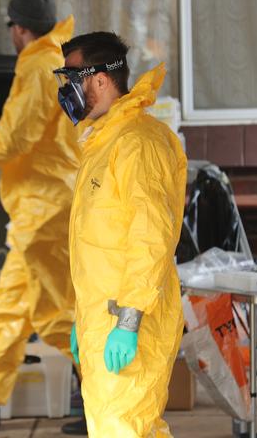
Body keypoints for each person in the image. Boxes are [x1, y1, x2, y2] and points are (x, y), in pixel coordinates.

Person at [54, 32, 187, 437]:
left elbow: (152, 237)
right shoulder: (104, 142)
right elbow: (100, 244)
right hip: (104, 318)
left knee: (125, 428)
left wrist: (128, 321)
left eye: (71, 79)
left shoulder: (138, 143)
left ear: (98, 80)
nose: (66, 92)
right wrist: (84, 317)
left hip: (130, 320)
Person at [0, 0, 79, 429]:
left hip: (45, 205)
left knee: (56, 312)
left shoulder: (39, 65)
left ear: (19, 29)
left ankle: (104, 400)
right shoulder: (63, 60)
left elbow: (17, 135)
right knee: (9, 306)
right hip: (49, 202)